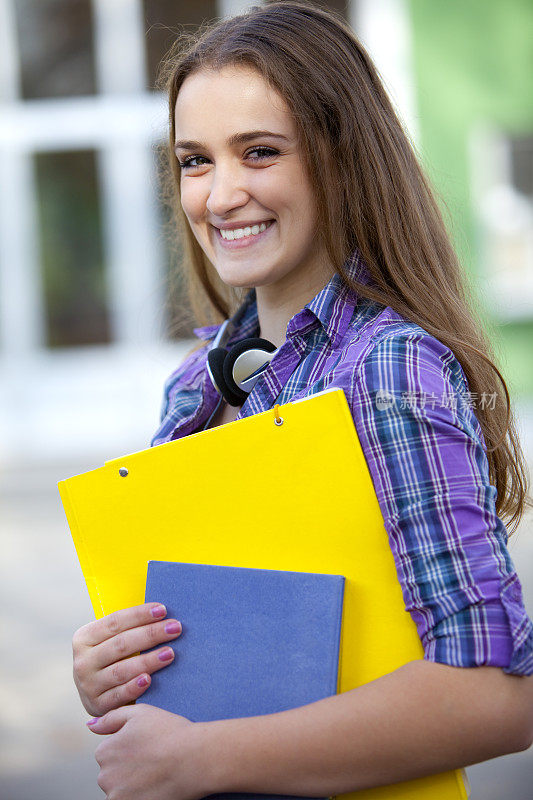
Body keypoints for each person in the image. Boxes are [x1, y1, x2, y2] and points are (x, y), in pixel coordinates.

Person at [72, 3, 533, 798]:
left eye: (259, 152)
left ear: (340, 158)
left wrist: (201, 759)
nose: (220, 195)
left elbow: (498, 693)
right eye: (195, 161)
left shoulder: (391, 368)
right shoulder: (192, 387)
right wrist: (115, 666)